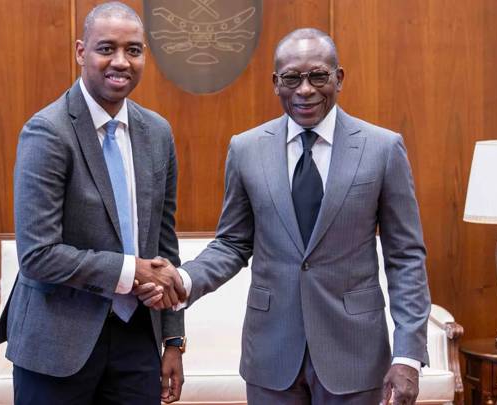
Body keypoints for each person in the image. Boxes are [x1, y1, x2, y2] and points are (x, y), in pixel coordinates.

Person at [141, 28, 431, 404]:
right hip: (271, 355)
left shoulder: (382, 149)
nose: (305, 89)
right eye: (292, 78)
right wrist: (183, 279)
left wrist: (407, 354)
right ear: (276, 83)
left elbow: (405, 257)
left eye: (318, 76)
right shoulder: (246, 150)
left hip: (355, 355)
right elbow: (232, 243)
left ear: (339, 78)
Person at [0, 2, 187, 404]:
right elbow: (38, 255)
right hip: (57, 344)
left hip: (138, 341)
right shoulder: (47, 132)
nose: (121, 61)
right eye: (107, 49)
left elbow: (164, 247)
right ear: (81, 52)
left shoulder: (157, 133)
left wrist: (173, 338)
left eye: (133, 50)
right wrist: (130, 271)